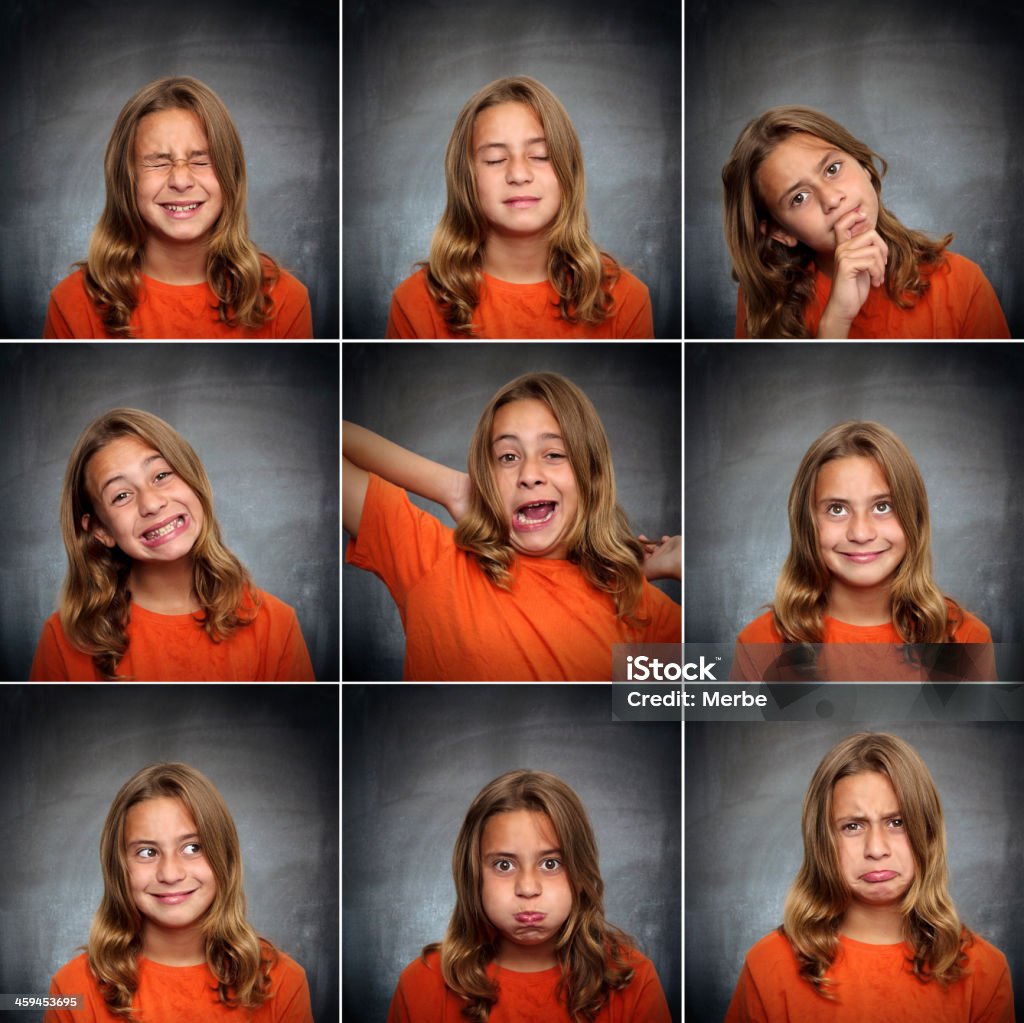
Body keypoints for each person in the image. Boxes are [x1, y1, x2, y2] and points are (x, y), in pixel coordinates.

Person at [343, 372, 681, 680]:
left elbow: (715, 703)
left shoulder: (640, 607)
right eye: (508, 457)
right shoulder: (432, 560)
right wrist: (455, 488)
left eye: (553, 454)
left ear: (590, 475)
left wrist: (687, 570)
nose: (529, 475)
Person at [725, 732, 1015, 1022]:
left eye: (897, 822)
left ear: (927, 833)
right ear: (823, 841)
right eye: (852, 826)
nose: (876, 849)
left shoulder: (983, 969)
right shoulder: (768, 964)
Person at [30, 407, 315, 681]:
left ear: (192, 480)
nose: (152, 503)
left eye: (162, 475)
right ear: (101, 529)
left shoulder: (275, 624)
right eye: (121, 496)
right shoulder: (63, 640)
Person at [388, 769, 672, 1021]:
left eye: (551, 864)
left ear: (580, 871)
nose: (527, 888)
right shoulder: (422, 983)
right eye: (504, 865)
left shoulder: (631, 978)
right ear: (473, 875)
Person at [44, 76, 312, 339]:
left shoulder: (284, 297)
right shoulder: (73, 301)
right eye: (159, 162)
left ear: (230, 175)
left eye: (201, 160)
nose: (181, 181)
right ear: (126, 179)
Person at [386, 76, 654, 339]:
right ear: (466, 177)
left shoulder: (625, 297)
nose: (518, 174)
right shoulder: (416, 301)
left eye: (540, 156)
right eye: (495, 159)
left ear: (568, 171)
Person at [44, 763, 313, 1023]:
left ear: (225, 857)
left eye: (193, 847)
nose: (170, 874)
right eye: (147, 852)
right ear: (119, 869)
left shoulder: (282, 981)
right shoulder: (71, 989)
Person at [732, 421, 994, 681]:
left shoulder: (966, 639)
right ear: (806, 524)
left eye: (883, 506)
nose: (860, 533)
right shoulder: (760, 643)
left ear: (914, 517)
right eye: (837, 509)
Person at [722, 106, 1010, 339]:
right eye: (799, 197)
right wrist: (836, 320)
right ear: (781, 231)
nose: (832, 198)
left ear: (863, 166)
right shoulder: (763, 302)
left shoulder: (961, 282)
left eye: (832, 169)